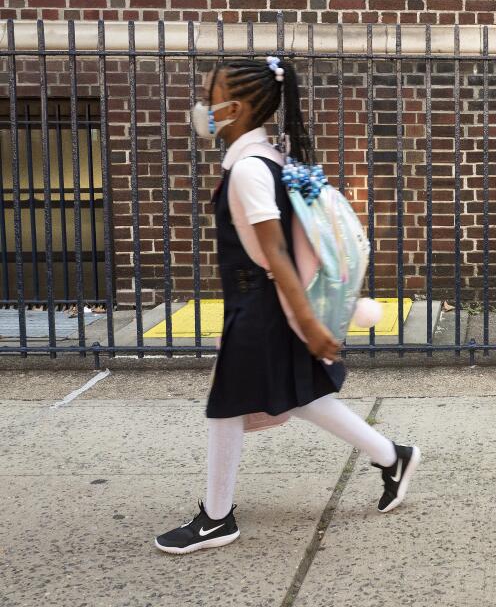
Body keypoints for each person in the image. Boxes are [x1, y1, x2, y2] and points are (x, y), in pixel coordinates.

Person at [155, 56, 420, 555]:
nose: (202, 105)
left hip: (261, 305)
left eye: (209, 96)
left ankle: (216, 518)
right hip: (261, 303)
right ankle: (393, 456)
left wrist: (309, 324)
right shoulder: (265, 160)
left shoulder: (250, 171)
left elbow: (275, 254)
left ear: (235, 109)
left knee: (227, 407)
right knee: (299, 397)